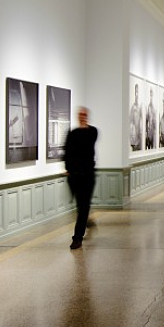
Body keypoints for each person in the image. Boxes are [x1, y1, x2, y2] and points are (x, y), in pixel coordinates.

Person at [64, 107, 98, 249]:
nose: (83, 117)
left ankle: (77, 238)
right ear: (78, 116)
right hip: (75, 175)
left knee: (83, 207)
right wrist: (68, 168)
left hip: (88, 175)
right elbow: (67, 151)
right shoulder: (72, 133)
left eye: (85, 115)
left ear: (87, 116)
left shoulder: (92, 131)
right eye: (81, 115)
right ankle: (85, 221)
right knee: (81, 207)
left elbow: (88, 143)